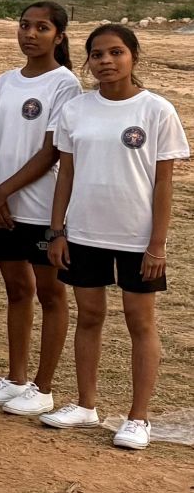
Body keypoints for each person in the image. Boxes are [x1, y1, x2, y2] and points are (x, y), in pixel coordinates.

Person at [40, 24, 188, 451]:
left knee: (139, 322)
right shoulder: (76, 110)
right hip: (85, 232)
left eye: (116, 52)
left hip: (136, 237)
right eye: (97, 54)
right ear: (88, 61)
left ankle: (138, 418)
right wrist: (57, 231)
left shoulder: (156, 110)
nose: (106, 61)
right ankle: (86, 404)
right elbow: (65, 174)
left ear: (133, 56)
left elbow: (164, 183)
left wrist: (157, 243)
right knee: (89, 316)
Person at [0, 2, 79, 413]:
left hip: (40, 207)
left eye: (42, 27)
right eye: (24, 26)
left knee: (50, 293)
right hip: (2, 208)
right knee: (17, 290)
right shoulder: (4, 81)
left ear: (59, 36)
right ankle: (16, 378)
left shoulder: (64, 83)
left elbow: (52, 150)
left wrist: (1, 192)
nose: (30, 34)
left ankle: (43, 387)